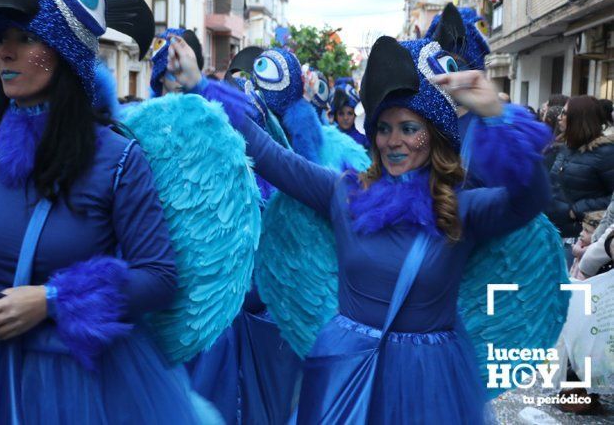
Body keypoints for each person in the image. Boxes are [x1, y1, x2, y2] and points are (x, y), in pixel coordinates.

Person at [172, 31, 559, 423]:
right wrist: (201, 85)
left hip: (429, 383)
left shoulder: (461, 208)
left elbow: (529, 198)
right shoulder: (344, 194)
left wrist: (498, 115)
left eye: (409, 127)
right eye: (384, 128)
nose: (394, 141)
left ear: (435, 135)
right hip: (346, 374)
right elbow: (270, 155)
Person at [0, 0, 220, 423]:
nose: (4, 52)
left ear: (64, 51)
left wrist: (52, 301)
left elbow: (160, 279)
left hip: (86, 390)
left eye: (26, 37)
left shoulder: (119, 158)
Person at [547, 95, 614, 241]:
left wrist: (577, 210)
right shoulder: (566, 147)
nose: (559, 117)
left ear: (579, 118)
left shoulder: (606, 152)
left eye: (564, 113)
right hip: (555, 232)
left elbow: (612, 198)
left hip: (582, 237)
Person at [330, 79, 368, 149]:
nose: (345, 118)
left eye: (350, 113)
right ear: (335, 115)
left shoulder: (365, 137)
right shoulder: (330, 137)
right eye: (341, 114)